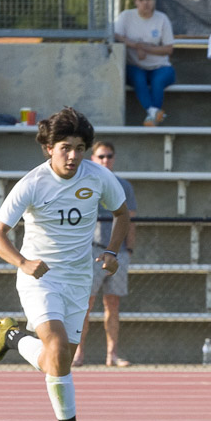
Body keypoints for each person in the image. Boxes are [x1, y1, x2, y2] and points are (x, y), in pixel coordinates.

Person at [0, 107, 130, 421]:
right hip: (40, 279)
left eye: (80, 147)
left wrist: (112, 252)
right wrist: (23, 262)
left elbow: (121, 213)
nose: (73, 155)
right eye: (65, 147)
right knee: (59, 348)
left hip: (79, 279)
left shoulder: (98, 177)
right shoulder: (32, 183)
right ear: (48, 147)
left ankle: (14, 336)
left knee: (57, 360)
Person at [73, 141, 137, 368]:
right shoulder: (84, 183)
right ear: (93, 159)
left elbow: (130, 219)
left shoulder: (123, 185)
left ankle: (112, 354)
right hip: (92, 250)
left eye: (109, 156)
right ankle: (78, 354)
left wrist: (128, 249)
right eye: (101, 156)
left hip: (118, 252)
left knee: (113, 305)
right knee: (85, 304)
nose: (105, 160)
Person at [113, 0, 175, 127]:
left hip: (161, 66)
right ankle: (154, 113)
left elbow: (168, 49)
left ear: (154, 0)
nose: (145, 3)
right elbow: (116, 35)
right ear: (135, 1)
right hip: (135, 66)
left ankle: (152, 115)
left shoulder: (162, 18)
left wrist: (145, 48)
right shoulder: (126, 16)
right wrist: (135, 46)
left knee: (158, 81)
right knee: (138, 78)